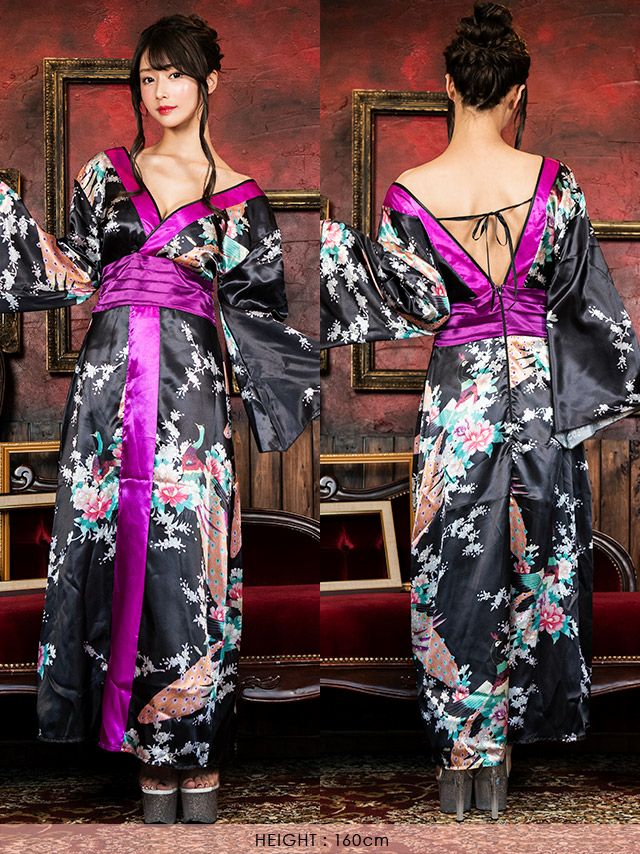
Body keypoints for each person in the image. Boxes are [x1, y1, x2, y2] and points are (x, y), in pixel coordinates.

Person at [320, 1, 640, 821]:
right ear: (518, 92)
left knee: (453, 570)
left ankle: (464, 757)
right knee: (541, 564)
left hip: (458, 399)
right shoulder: (555, 184)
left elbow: (400, 301)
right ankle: (507, 752)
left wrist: (327, 248)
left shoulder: (410, 192)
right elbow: (591, 312)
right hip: (539, 402)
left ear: (447, 86)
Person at [0, 14, 319, 824]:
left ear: (210, 82)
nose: (160, 91)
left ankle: (193, 746)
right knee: (105, 551)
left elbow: (262, 316)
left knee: (188, 562)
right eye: (147, 77)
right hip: (105, 395)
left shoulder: (241, 199)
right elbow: (68, 267)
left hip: (188, 399)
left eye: (175, 74)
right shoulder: (104, 175)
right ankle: (136, 744)